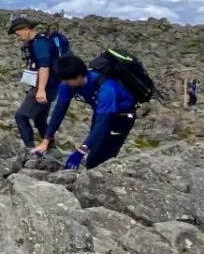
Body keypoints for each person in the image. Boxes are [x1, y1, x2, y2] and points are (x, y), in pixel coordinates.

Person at [34, 54, 138, 170]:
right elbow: (59, 112)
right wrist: (46, 141)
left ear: (79, 77)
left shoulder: (107, 90)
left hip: (122, 117)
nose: (65, 83)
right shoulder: (67, 85)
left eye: (67, 81)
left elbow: (101, 123)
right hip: (100, 111)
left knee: (102, 156)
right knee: (94, 149)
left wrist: (81, 150)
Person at [8, 15, 69, 152]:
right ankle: (51, 148)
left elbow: (44, 66)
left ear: (26, 29)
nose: (18, 38)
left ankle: (30, 150)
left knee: (21, 117)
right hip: (53, 86)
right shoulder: (41, 41)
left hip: (45, 86)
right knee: (39, 119)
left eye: (18, 34)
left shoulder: (39, 43)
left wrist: (41, 90)